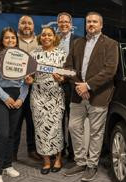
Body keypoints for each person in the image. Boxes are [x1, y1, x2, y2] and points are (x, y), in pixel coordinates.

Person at [63, 12, 118, 182]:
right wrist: (80, 86)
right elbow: (68, 67)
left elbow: (110, 70)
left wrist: (88, 85)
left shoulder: (110, 44)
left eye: (95, 22)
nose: (91, 24)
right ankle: (80, 162)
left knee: (96, 133)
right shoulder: (77, 43)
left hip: (99, 95)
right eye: (88, 22)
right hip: (78, 95)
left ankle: (92, 165)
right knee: (73, 127)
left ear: (101, 25)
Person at [0, 27, 28, 182]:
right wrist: (5, 97)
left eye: (13, 38)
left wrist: (21, 99)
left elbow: (26, 82)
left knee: (11, 135)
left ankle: (7, 165)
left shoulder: (22, 58)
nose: (10, 41)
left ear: (17, 40)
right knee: (2, 134)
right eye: (7, 38)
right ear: (2, 40)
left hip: (16, 99)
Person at [26, 27, 66, 175]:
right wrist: (29, 80)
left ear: (54, 37)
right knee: (41, 129)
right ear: (40, 37)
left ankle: (58, 159)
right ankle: (46, 161)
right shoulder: (33, 54)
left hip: (55, 96)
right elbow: (29, 76)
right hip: (38, 96)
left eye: (49, 34)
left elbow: (65, 76)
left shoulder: (61, 53)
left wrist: (61, 78)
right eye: (44, 35)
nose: (46, 37)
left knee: (56, 129)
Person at [13, 15, 41, 162]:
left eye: (29, 23)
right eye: (23, 23)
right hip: (17, 87)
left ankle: (32, 149)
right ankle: (12, 152)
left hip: (35, 88)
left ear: (33, 26)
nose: (26, 25)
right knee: (15, 121)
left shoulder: (40, 41)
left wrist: (34, 78)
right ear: (19, 25)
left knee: (32, 121)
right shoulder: (13, 40)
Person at [57, 12, 79, 159]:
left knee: (72, 120)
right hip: (55, 84)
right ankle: (59, 149)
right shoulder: (53, 40)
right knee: (58, 119)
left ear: (71, 25)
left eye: (66, 22)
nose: (64, 24)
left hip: (71, 85)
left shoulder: (78, 41)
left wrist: (65, 75)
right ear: (57, 24)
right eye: (61, 22)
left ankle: (72, 152)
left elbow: (79, 64)